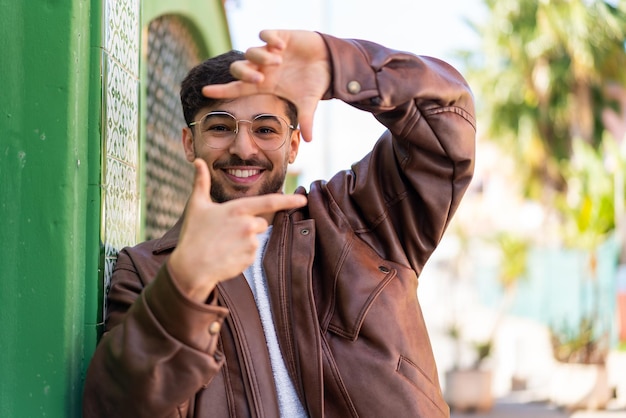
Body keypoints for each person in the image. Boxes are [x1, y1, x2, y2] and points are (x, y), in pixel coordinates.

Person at [83, 29, 476, 417]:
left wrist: (339, 63)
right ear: (190, 143)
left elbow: (448, 123)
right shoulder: (148, 270)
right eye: (220, 126)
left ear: (292, 145)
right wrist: (184, 283)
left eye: (266, 129)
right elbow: (120, 406)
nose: (243, 147)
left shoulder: (355, 217)